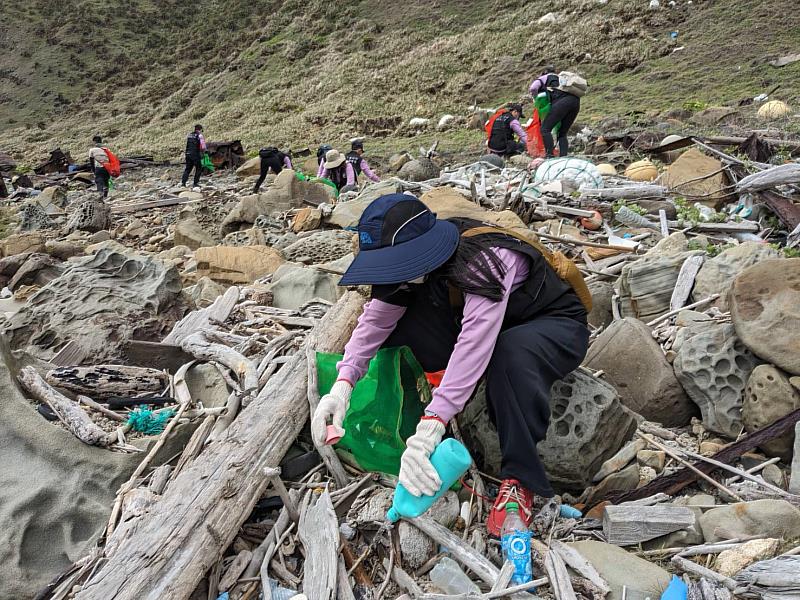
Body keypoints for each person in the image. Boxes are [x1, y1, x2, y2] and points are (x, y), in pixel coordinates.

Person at [311, 193, 590, 536]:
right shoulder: (414, 267)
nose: (391, 272)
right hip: (490, 323)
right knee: (404, 322)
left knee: (510, 353)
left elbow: (475, 341)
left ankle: (520, 480)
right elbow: (376, 320)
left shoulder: (488, 258)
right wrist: (343, 387)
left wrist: (432, 425)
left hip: (551, 324)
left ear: (421, 250)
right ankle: (438, 394)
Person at [532, 68, 581, 158]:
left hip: (562, 103)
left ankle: (549, 156)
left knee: (545, 129)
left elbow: (533, 87)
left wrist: (535, 99)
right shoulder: (562, 80)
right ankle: (564, 157)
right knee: (562, 133)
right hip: (576, 102)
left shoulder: (544, 77)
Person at [181, 124, 207, 189]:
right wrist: (204, 153)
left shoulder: (189, 135)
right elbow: (203, 147)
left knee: (188, 169)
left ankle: (183, 184)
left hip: (188, 153)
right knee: (199, 168)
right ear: (200, 129)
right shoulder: (200, 136)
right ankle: (195, 183)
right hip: (195, 154)